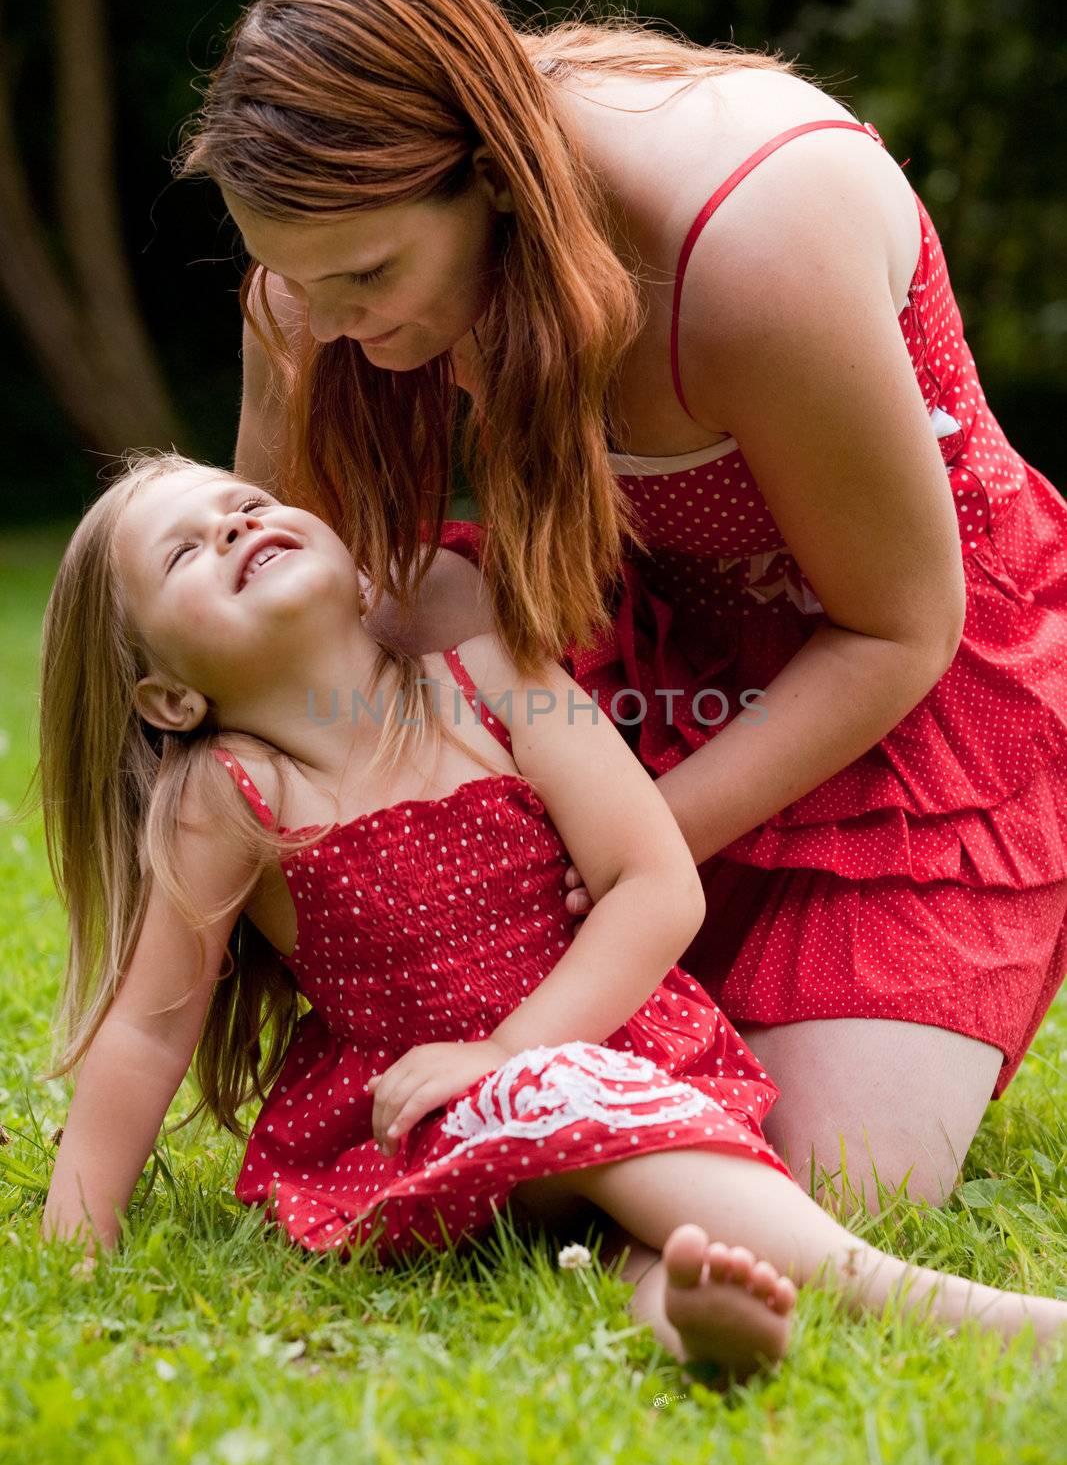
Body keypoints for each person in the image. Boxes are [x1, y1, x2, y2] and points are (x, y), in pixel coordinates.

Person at [173, 0, 1067, 1214]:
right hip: (640, 667)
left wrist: (626, 853)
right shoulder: (335, 266)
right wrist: (285, 355)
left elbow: (900, 629)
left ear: (489, 176)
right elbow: (290, 626)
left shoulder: (749, 242)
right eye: (306, 284)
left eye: (366, 279)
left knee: (823, 1192)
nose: (350, 330)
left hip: (902, 713)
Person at [36, 453, 1067, 1382]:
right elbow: (149, 1024)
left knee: (624, 1203)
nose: (234, 529)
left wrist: (512, 1045)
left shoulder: (500, 680)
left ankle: (689, 1312)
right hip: (426, 1115)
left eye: (247, 504)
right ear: (168, 699)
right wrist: (76, 1241)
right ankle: (946, 1309)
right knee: (558, 1093)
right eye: (186, 551)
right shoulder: (229, 794)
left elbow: (654, 882)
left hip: (611, 1054)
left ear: (356, 572)